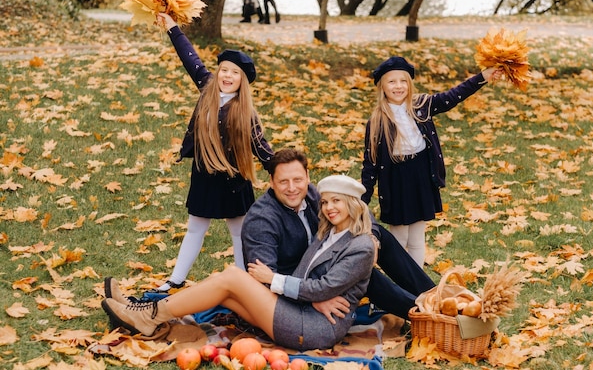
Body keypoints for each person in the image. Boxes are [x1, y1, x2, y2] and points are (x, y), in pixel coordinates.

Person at [101, 175, 377, 351]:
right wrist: (313, 295)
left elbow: (325, 286)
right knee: (227, 289)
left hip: (314, 328)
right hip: (303, 309)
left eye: (337, 202)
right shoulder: (328, 232)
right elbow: (313, 283)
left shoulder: (361, 245)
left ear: (354, 204)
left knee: (233, 277)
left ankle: (149, 315)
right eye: (326, 201)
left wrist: (275, 281)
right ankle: (145, 309)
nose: (329, 208)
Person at [152, 13, 273, 293]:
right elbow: (189, 56)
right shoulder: (207, 87)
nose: (228, 76)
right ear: (218, 72)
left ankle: (246, 282)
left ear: (243, 81)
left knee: (240, 232)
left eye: (235, 73)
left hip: (234, 178)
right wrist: (172, 28)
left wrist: (281, 168)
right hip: (204, 174)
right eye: (224, 70)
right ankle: (175, 279)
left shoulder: (246, 112)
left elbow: (262, 147)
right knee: (195, 227)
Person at [242, 148, 436, 321]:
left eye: (298, 180)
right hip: (300, 282)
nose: (292, 188)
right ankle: (427, 314)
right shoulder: (261, 220)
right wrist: (312, 301)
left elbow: (359, 209)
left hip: (325, 260)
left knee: (379, 237)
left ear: (307, 177)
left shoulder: (309, 193)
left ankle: (436, 296)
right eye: (283, 182)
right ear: (271, 182)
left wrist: (373, 238)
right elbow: (265, 281)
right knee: (362, 270)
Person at [361, 57, 501, 267]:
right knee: (399, 238)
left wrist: (482, 77)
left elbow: (453, 96)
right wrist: (362, 199)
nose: (398, 86)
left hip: (420, 177)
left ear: (410, 84)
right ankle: (401, 283)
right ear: (381, 86)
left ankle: (417, 284)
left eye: (403, 81)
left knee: (417, 238)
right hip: (395, 181)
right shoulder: (377, 121)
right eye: (391, 82)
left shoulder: (422, 105)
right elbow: (370, 163)